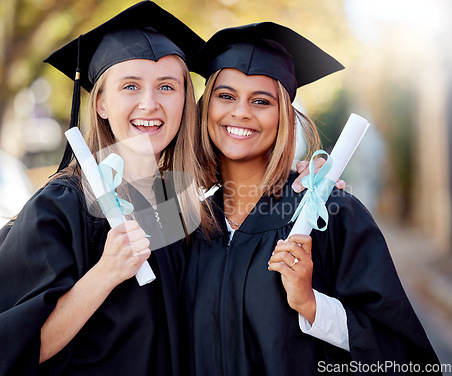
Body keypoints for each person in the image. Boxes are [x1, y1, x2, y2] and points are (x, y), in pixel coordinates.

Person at [182, 22, 441, 375]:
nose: (241, 112)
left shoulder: (330, 214)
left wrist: (311, 305)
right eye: (226, 96)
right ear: (205, 107)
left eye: (261, 101)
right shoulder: (185, 221)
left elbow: (406, 358)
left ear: (285, 116)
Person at [0, 2, 205, 375]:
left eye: (167, 86)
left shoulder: (180, 204)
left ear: (185, 99)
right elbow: (0, 359)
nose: (149, 103)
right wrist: (106, 272)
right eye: (130, 86)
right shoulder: (62, 207)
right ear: (102, 103)